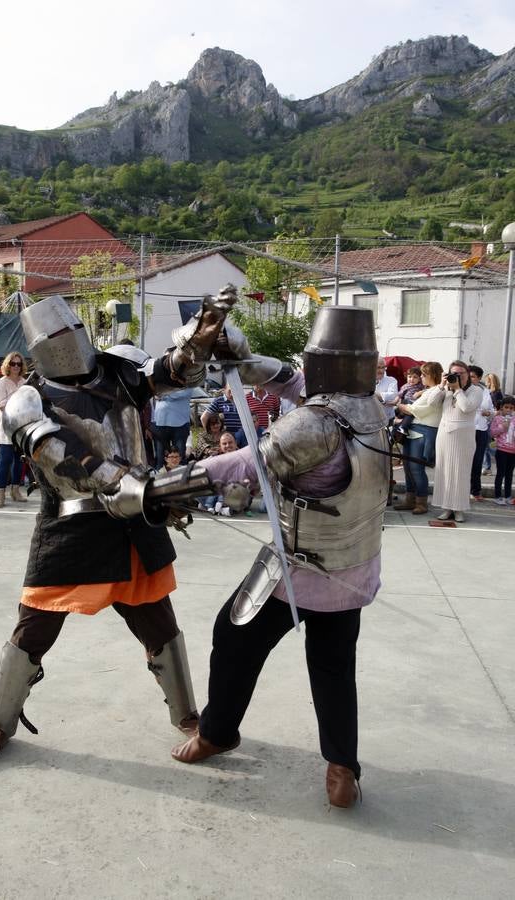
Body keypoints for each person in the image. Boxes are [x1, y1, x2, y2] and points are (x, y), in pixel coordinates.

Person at [0, 287, 240, 772]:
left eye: (73, 330)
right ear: (39, 348)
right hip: (71, 526)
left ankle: (188, 717)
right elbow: (59, 455)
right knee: (33, 630)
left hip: (135, 524)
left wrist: (200, 340)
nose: (69, 340)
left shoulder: (119, 372)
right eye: (57, 335)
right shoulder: (29, 398)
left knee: (161, 627)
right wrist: (122, 479)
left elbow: (172, 372)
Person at [172, 306, 388, 809]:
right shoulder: (368, 406)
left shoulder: (313, 425)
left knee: (233, 640)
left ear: (323, 363)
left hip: (297, 571)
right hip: (353, 567)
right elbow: (294, 382)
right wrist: (246, 364)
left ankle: (219, 732)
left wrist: (154, 487)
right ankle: (342, 768)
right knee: (334, 667)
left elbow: (243, 466)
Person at [427, 360, 483, 523]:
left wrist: (458, 389)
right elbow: (431, 403)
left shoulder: (476, 390)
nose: (457, 376)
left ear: (467, 374)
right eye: (454, 373)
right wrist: (441, 385)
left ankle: (459, 509)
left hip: (463, 436)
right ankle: (446, 508)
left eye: (460, 373)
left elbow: (466, 407)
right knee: (444, 471)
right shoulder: (447, 388)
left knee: (460, 472)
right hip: (444, 433)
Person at [393, 362, 443, 515]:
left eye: (423, 374)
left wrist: (403, 407)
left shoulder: (437, 391)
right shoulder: (428, 391)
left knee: (416, 469)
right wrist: (407, 408)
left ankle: (421, 502)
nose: (421, 377)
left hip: (423, 433)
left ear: (432, 375)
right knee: (408, 468)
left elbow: (418, 409)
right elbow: (415, 409)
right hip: (413, 432)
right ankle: (410, 500)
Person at [0, 352, 28, 508]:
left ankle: (15, 490)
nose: (16, 367)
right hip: (6, 425)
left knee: (19, 459)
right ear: (7, 365)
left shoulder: (25, 382)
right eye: (13, 363)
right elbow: (1, 404)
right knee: (5, 459)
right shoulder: (1, 382)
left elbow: (29, 402)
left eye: (19, 364)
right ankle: (0, 495)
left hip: (21, 425)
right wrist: (19, 404)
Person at [150, 387, 201, 469]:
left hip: (181, 424)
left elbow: (185, 393)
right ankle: (160, 480)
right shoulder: (162, 378)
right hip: (160, 422)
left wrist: (163, 394)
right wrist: (169, 393)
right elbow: (155, 392)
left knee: (180, 458)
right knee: (160, 459)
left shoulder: (188, 378)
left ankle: (182, 480)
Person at [468, 366, 495, 501]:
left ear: (479, 378)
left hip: (481, 430)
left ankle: (475, 491)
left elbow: (492, 411)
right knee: (464, 461)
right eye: (469, 375)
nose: (470, 378)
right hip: (466, 429)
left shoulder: (485, 391)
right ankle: (460, 491)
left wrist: (489, 413)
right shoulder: (462, 390)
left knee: (477, 462)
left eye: (473, 376)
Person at [490, 396, 515, 505]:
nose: (508, 410)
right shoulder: (497, 419)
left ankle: (508, 496)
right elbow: (492, 433)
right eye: (506, 407)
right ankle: (498, 496)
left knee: (509, 474)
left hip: (513, 451)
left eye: (511, 408)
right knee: (500, 473)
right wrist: (502, 427)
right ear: (502, 408)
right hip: (501, 450)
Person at [390, 366, 423, 442]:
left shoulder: (421, 386)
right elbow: (398, 396)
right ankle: (398, 425)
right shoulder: (405, 386)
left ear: (419, 378)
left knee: (410, 415)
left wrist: (419, 392)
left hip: (413, 406)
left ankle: (399, 430)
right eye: (410, 377)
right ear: (406, 377)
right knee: (406, 410)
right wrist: (392, 403)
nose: (411, 379)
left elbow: (427, 390)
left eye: (415, 377)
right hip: (405, 403)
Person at [483, 373, 503, 474]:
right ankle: (487, 467)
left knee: (486, 445)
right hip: (490, 421)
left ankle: (488, 467)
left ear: (490, 381)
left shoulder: (495, 394)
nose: (485, 382)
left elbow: (498, 409)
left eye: (487, 380)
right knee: (487, 445)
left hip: (491, 421)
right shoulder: (493, 393)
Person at [374, 358, 398, 423]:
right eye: (378, 367)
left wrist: (373, 394)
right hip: (371, 419)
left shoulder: (391, 380)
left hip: (388, 418)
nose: (381, 370)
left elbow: (392, 396)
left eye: (383, 367)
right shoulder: (366, 381)